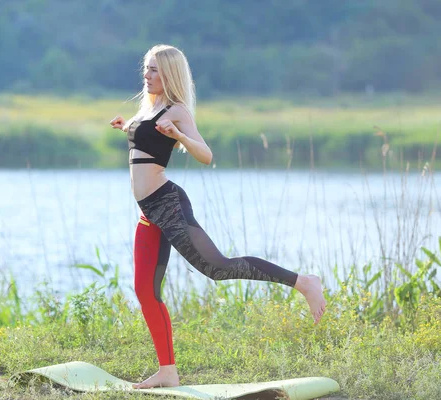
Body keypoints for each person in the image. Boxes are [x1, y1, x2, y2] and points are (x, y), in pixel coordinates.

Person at [109, 44, 326, 389]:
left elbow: (206, 155)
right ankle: (168, 371)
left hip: (168, 204)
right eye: (146, 69)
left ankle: (304, 282)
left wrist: (178, 135)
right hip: (148, 212)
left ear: (171, 74)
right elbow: (147, 141)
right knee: (145, 290)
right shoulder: (149, 107)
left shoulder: (177, 110)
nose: (147, 76)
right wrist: (127, 127)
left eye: (155, 71)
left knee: (218, 268)